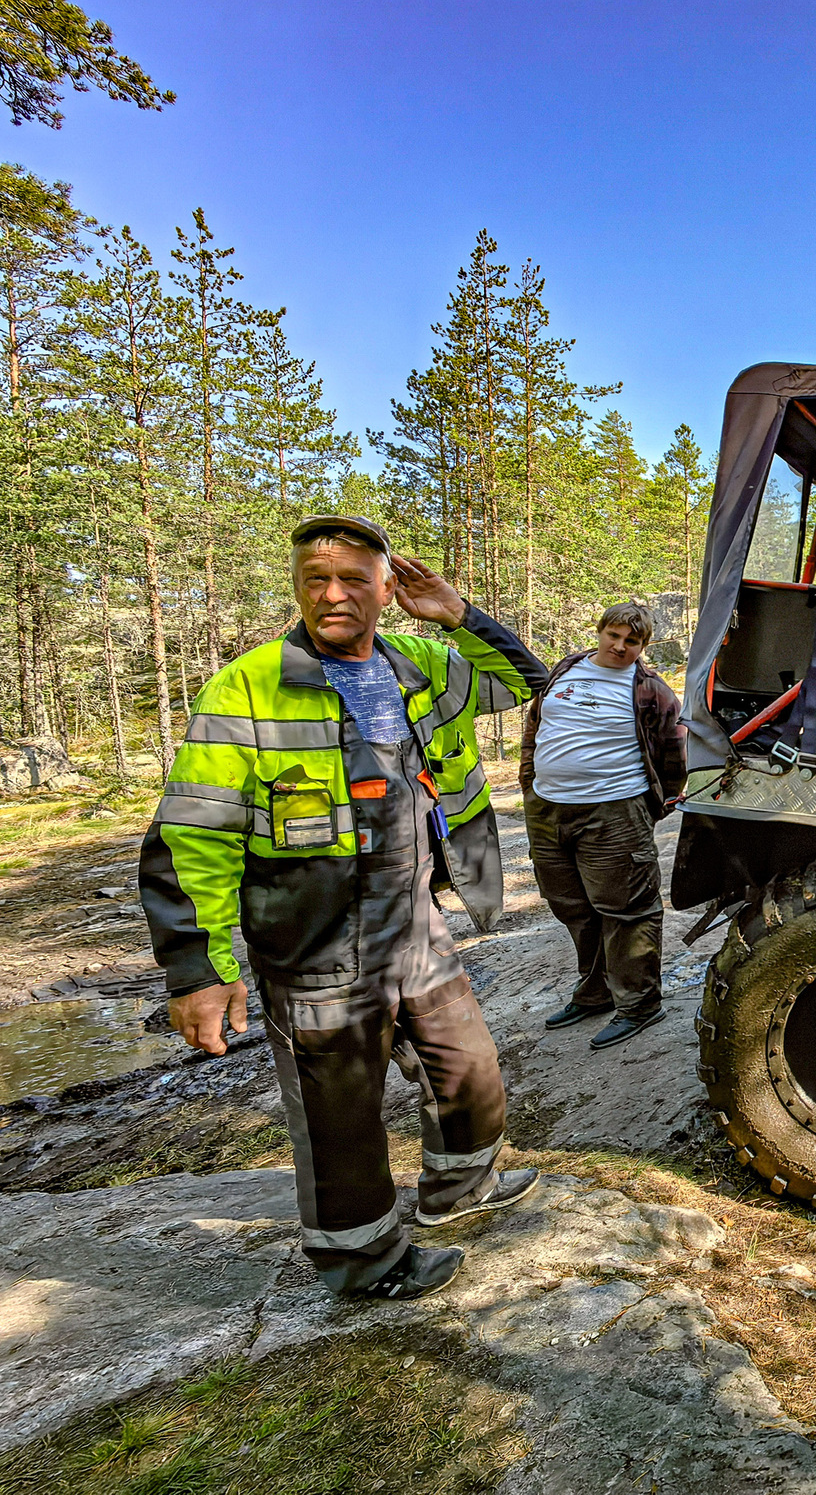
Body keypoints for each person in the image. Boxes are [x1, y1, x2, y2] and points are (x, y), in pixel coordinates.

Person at [140, 516, 551, 1301]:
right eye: (314, 579)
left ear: (385, 589)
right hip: (313, 938)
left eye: (353, 579)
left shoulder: (421, 664)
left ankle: (459, 1190)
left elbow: (527, 681)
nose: (332, 594)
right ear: (297, 587)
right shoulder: (249, 686)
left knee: (469, 1071)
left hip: (414, 922)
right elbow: (191, 835)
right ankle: (364, 1262)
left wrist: (459, 614)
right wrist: (201, 970)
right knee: (340, 1116)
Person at [519, 601, 686, 1048]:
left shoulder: (651, 690)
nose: (620, 646)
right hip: (549, 809)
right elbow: (535, 727)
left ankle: (639, 1005)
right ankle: (596, 992)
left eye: (632, 641)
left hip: (614, 812)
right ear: (600, 632)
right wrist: (529, 785)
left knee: (627, 910)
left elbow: (675, 754)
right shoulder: (566, 669)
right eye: (613, 635)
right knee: (570, 903)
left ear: (643, 646)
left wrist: (651, 809)